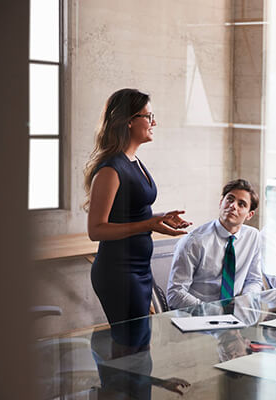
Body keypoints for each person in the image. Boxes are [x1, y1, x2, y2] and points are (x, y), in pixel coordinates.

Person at [85, 88, 191, 353]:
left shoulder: (134, 161)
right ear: (129, 120)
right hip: (119, 273)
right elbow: (96, 229)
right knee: (131, 349)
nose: (154, 122)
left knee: (139, 348)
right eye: (149, 116)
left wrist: (159, 218)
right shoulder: (110, 169)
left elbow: (132, 213)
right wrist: (148, 225)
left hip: (139, 270)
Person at [167, 179, 263, 309]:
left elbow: (254, 280)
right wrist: (212, 311)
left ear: (249, 215)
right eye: (230, 199)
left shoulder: (253, 236)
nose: (233, 206)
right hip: (196, 315)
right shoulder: (194, 241)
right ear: (221, 202)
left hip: (235, 315)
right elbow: (175, 295)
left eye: (241, 204)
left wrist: (246, 301)